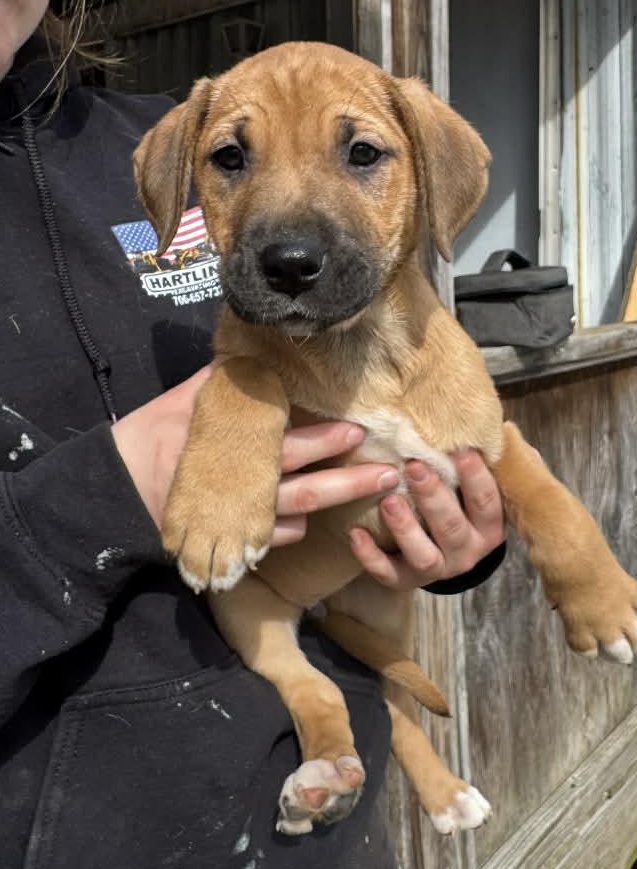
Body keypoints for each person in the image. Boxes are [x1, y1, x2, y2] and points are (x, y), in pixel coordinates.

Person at [0, 2, 507, 866]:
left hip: (320, 818)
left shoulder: (183, 141)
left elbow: (351, 384)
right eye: (233, 163)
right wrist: (91, 507)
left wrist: (455, 533)